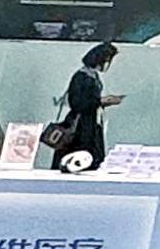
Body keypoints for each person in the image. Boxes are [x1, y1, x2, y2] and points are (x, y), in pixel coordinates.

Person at [51, 43, 123, 171]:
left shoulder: (92, 75)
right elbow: (76, 102)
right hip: (81, 126)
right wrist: (100, 101)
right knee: (81, 154)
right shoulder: (82, 77)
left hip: (90, 123)